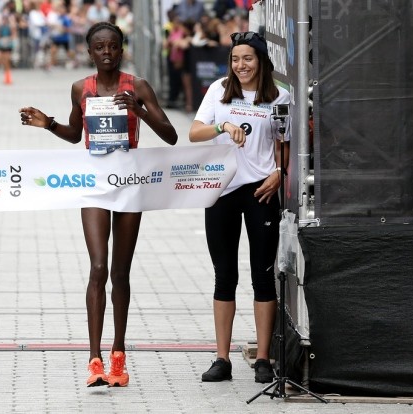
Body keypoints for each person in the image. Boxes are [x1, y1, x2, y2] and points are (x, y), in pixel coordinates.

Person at [19, 21, 178, 387]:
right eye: (99, 47)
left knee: (120, 272)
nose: (107, 52)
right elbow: (76, 135)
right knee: (98, 267)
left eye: (113, 46)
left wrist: (138, 109)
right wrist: (49, 124)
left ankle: (118, 355)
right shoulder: (81, 88)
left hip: (129, 184)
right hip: (95, 184)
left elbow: (170, 136)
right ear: (89, 52)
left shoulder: (138, 86)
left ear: (122, 49)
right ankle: (94, 359)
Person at [188, 31, 290, 384]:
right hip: (221, 190)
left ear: (261, 60)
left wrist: (279, 173)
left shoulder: (279, 97)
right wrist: (223, 125)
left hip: (261, 191)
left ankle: (263, 359)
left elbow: (285, 144)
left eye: (248, 58)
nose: (241, 65)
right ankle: (221, 358)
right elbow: (195, 132)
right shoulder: (219, 90)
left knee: (263, 275)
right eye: (235, 59)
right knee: (224, 275)